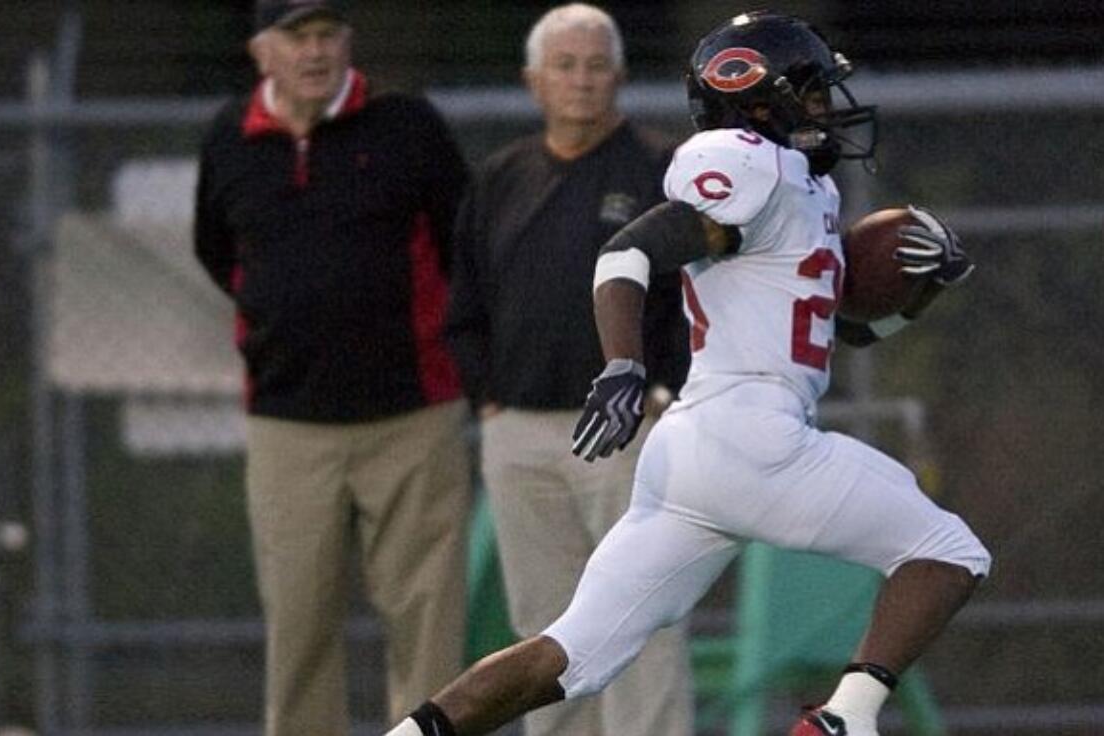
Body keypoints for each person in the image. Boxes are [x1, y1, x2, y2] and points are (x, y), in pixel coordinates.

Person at [386, 11, 991, 736]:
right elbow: (628, 253)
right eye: (813, 91)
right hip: (756, 442)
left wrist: (922, 289)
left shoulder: (804, 190)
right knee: (949, 551)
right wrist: (622, 364)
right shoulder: (748, 162)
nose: (829, 109)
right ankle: (842, 721)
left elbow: (846, 331)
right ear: (758, 102)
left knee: (570, 653)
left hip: (689, 460)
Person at [193, 1, 472, 733]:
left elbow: (461, 250)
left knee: (426, 622)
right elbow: (219, 253)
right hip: (288, 424)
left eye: (326, 35)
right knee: (299, 624)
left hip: (414, 414)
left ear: (348, 42)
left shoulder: (409, 127)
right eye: (296, 37)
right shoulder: (228, 138)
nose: (314, 52)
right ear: (262, 52)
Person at [444, 5, 692, 735]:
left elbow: (695, 292)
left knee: (641, 616)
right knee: (544, 626)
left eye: (595, 65)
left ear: (617, 75)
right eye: (565, 65)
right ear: (533, 81)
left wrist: (666, 388)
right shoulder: (500, 178)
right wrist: (486, 397)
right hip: (520, 435)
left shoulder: (662, 170)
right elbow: (464, 302)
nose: (581, 81)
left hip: (631, 436)